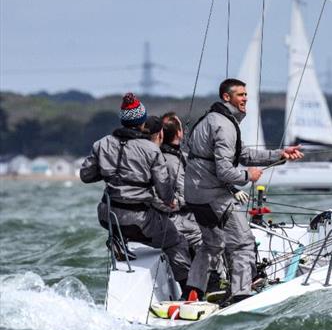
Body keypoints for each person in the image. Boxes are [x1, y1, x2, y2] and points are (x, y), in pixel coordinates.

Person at [183, 78, 304, 306]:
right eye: (240, 95)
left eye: (246, 95)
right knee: (243, 243)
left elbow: (243, 154)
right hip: (213, 196)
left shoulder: (210, 120)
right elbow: (226, 171)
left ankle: (193, 290)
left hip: (194, 195)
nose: (245, 99)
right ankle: (241, 295)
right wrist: (249, 177)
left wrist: (280, 154)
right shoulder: (225, 126)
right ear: (227, 97)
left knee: (211, 244)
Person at [80, 93, 191, 292]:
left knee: (126, 221)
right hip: (140, 220)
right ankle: (188, 290)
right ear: (142, 122)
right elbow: (165, 192)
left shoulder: (101, 143)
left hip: (108, 218)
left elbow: (86, 176)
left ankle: (118, 241)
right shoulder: (150, 149)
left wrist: (112, 174)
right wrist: (171, 201)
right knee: (177, 240)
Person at [150, 113, 203, 258]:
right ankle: (213, 277)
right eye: (182, 127)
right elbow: (184, 195)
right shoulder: (172, 162)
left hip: (179, 212)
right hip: (176, 215)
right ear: (179, 133)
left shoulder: (178, 156)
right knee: (209, 235)